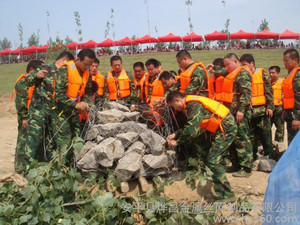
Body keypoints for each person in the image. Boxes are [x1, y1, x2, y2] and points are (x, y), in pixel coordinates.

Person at [166, 91, 237, 201]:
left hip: (226, 128)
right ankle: (213, 180)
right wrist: (176, 134)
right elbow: (193, 124)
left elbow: (190, 129)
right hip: (221, 128)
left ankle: (227, 195)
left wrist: (177, 141)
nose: (175, 110)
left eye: (173, 106)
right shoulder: (191, 104)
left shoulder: (193, 105)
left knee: (213, 160)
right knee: (209, 157)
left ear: (177, 100)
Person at [22, 52, 75, 171]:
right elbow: (26, 82)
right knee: (33, 141)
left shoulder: (65, 74)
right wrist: (36, 76)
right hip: (38, 113)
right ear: (64, 60)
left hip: (55, 114)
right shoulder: (44, 68)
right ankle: (26, 170)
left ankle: (50, 169)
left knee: (51, 143)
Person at [53, 49, 96, 163]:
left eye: (90, 65)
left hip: (76, 114)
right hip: (61, 114)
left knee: (77, 141)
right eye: (85, 64)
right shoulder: (65, 70)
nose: (87, 67)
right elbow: (58, 95)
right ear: (78, 59)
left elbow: (87, 92)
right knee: (64, 143)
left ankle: (74, 167)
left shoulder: (87, 73)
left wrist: (86, 104)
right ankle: (62, 168)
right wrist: (75, 105)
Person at [219, 53, 253, 177]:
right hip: (231, 112)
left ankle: (246, 168)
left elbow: (247, 93)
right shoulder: (233, 73)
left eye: (228, 65)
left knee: (242, 138)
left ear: (235, 61)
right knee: (233, 138)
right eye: (225, 65)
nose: (226, 68)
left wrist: (241, 110)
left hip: (239, 112)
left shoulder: (242, 73)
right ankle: (236, 164)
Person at [240, 54, 274, 160]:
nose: (243, 68)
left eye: (245, 65)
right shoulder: (244, 76)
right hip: (250, 111)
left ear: (252, 63)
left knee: (265, 134)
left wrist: (270, 107)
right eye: (242, 66)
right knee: (251, 135)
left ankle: (270, 155)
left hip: (262, 109)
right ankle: (253, 156)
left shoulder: (262, 75)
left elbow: (269, 92)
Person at [13, 60, 44, 173]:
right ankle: (19, 168)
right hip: (25, 118)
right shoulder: (23, 83)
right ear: (32, 70)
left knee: (31, 143)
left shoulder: (34, 83)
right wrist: (24, 118)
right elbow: (21, 103)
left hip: (33, 118)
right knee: (23, 142)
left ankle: (29, 166)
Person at [282, 49, 300, 144]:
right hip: (290, 112)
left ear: (295, 60)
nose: (284, 63)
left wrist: (297, 118)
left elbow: (299, 97)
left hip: (295, 114)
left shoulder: (297, 75)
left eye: (287, 61)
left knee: (295, 142)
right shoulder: (291, 73)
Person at [269, 66, 285, 143]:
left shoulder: (282, 82)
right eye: (270, 73)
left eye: (273, 73)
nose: (271, 74)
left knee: (280, 127)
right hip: (269, 108)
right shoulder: (268, 82)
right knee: (267, 127)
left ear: (278, 73)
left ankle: (278, 144)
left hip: (279, 108)